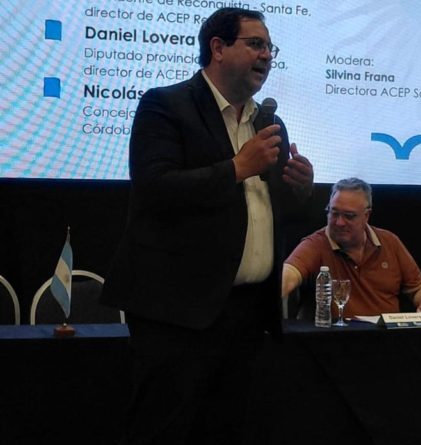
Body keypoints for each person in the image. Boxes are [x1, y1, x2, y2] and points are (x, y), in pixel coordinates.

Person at [100, 8, 314, 445]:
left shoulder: (268, 122)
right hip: (177, 312)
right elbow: (155, 189)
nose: (266, 55)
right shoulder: (165, 106)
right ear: (217, 47)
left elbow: (267, 213)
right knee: (164, 430)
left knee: (227, 430)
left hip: (247, 312)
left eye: (270, 47)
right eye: (255, 44)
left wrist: (300, 190)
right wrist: (236, 167)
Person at [282, 177, 421, 318]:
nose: (339, 222)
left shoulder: (390, 242)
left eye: (349, 216)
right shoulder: (315, 244)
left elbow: (419, 288)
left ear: (366, 215)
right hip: (335, 339)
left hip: (388, 338)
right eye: (334, 213)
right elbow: (288, 276)